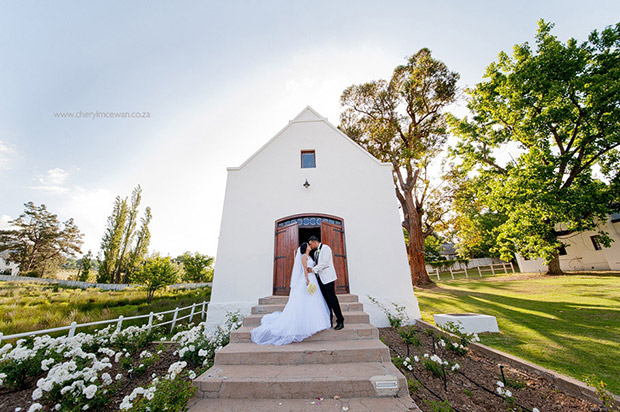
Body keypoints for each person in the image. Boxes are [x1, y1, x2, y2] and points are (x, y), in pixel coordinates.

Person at [251, 242, 331, 345]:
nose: (309, 246)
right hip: (308, 279)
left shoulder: (309, 256)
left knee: (314, 300)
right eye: (308, 245)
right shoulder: (303, 257)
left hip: (313, 278)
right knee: (305, 300)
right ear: (305, 248)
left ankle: (317, 322)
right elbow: (304, 270)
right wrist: (307, 280)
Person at [307, 236, 345, 330]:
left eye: (310, 244)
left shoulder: (326, 248)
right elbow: (318, 263)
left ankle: (340, 320)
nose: (310, 246)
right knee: (325, 300)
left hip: (328, 278)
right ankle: (329, 320)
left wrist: (313, 269)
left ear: (315, 242)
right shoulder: (315, 252)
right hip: (320, 279)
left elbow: (325, 263)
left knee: (332, 300)